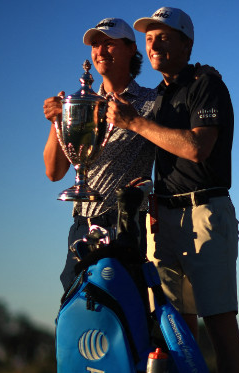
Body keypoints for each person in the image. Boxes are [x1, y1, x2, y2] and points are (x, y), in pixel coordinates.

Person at [107, 7, 239, 373]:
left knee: (221, 329)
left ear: (187, 44)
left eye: (165, 38)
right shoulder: (159, 96)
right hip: (162, 219)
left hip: (205, 216)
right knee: (178, 337)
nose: (154, 45)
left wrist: (132, 122)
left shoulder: (206, 83)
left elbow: (195, 148)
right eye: (149, 40)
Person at [43, 18, 156, 290]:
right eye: (95, 45)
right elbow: (54, 173)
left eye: (109, 44)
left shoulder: (152, 102)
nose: (100, 51)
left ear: (132, 49)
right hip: (83, 225)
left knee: (127, 316)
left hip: (126, 224)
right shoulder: (79, 104)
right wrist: (57, 122)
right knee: (75, 314)